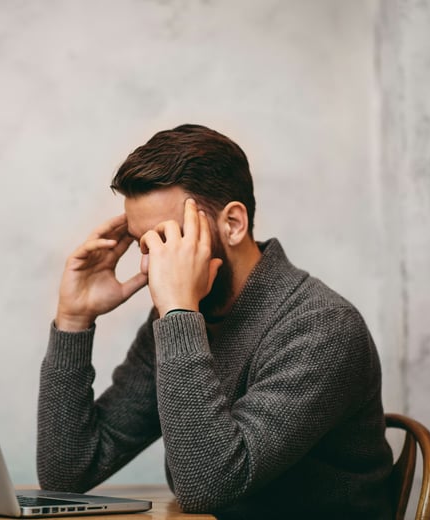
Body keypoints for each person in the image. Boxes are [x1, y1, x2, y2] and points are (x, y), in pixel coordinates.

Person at [36, 124, 393, 519]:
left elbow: (208, 486)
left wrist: (178, 314)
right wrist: (74, 319)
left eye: (168, 240)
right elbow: (65, 472)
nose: (150, 266)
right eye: (144, 245)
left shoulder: (323, 328)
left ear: (234, 224)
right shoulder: (183, 319)